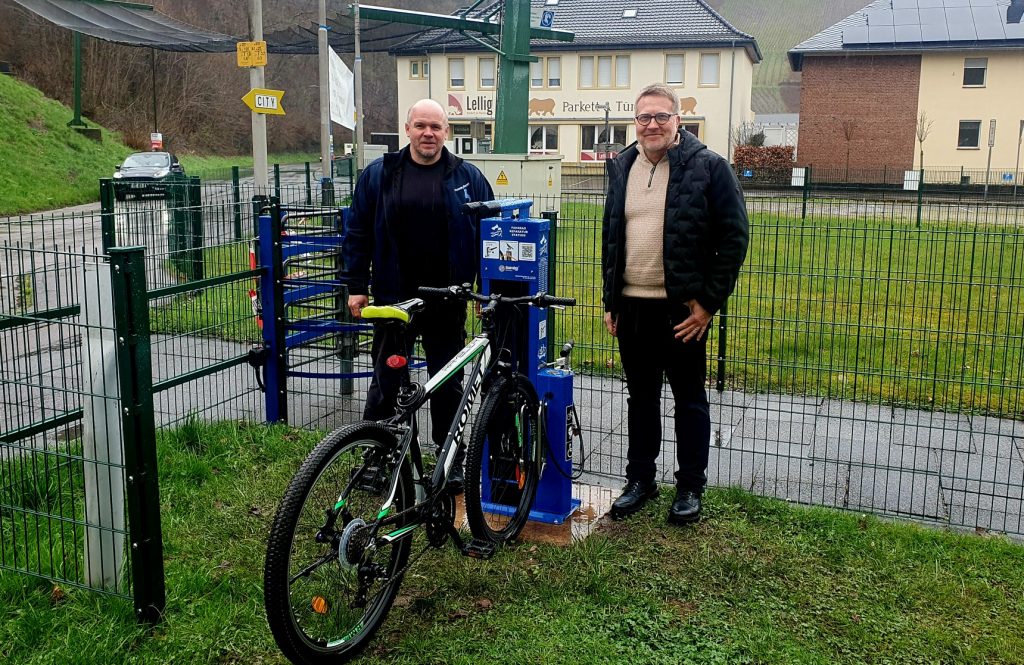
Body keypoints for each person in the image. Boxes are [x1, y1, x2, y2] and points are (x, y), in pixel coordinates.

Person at [601, 83, 749, 523]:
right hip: (632, 307)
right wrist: (611, 299)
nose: (652, 124)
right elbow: (612, 238)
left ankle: (689, 487)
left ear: (678, 121)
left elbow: (734, 238)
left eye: (661, 116)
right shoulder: (622, 166)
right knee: (641, 399)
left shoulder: (709, 167)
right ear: (636, 122)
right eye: (644, 117)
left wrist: (707, 304)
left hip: (682, 312)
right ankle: (640, 480)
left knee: (689, 399)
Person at [343, 98, 494, 492]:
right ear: (407, 129)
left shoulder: (468, 178)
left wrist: (486, 293)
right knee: (387, 379)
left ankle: (450, 462)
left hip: (447, 300)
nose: (429, 133)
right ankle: (376, 459)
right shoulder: (380, 174)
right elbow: (357, 231)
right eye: (421, 125)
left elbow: (490, 238)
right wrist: (357, 286)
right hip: (394, 300)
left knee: (447, 383)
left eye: (436, 127)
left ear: (447, 132)